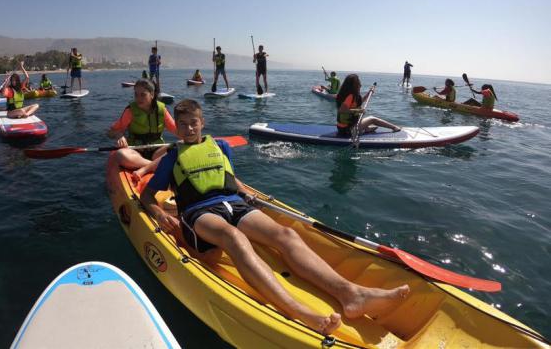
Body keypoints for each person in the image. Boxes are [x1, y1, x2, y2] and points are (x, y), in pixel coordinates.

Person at [141, 99, 409, 335]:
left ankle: (351, 294)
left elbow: (230, 179)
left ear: (202, 122)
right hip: (199, 212)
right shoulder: (172, 158)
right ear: (175, 126)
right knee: (233, 238)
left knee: (286, 234)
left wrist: (245, 193)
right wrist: (156, 212)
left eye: (194, 123)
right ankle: (300, 312)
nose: (189, 128)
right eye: (183, 124)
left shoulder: (221, 147)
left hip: (234, 203)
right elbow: (148, 196)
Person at [107, 79, 177, 177]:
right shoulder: (130, 111)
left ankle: (149, 166)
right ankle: (155, 165)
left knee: (178, 148)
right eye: (136, 94)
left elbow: (176, 130)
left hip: (157, 152)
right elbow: (111, 132)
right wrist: (119, 135)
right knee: (120, 155)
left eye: (143, 94)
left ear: (152, 94)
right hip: (136, 152)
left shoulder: (161, 110)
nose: (138, 98)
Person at [336, 74, 401, 136]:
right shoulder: (350, 96)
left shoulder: (348, 94)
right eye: (358, 81)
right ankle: (394, 127)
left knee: (362, 119)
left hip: (343, 129)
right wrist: (359, 111)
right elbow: (342, 110)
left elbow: (360, 102)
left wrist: (369, 92)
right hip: (349, 129)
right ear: (354, 84)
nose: (360, 84)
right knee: (372, 119)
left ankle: (366, 129)